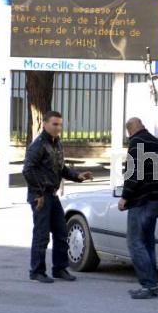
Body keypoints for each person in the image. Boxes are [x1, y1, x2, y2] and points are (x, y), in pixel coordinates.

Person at [22, 111, 93, 283]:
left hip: (52, 195)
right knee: (42, 235)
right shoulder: (38, 145)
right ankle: (37, 271)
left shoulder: (57, 144)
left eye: (60, 124)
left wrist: (78, 176)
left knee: (62, 232)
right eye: (55, 124)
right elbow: (28, 170)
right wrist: (38, 194)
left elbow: (61, 169)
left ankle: (59, 269)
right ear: (45, 124)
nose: (58, 128)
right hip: (41, 196)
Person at [117, 117, 158, 299]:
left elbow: (134, 172)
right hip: (157, 198)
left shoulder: (136, 142)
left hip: (142, 200)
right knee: (147, 242)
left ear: (130, 132)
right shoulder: (155, 142)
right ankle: (153, 284)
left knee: (135, 242)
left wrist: (124, 196)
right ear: (143, 126)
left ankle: (148, 284)